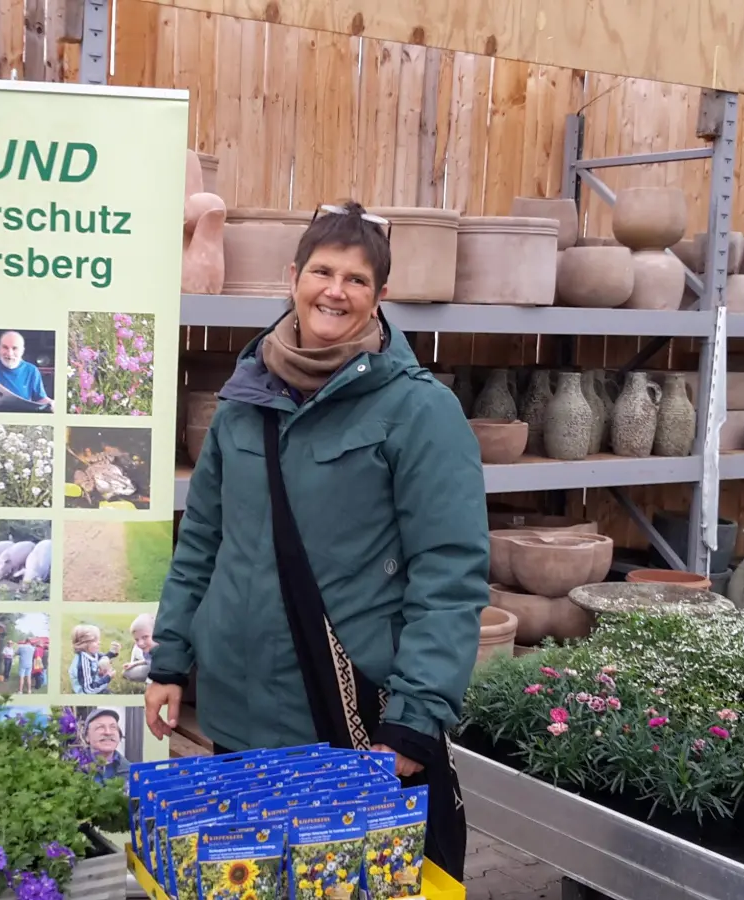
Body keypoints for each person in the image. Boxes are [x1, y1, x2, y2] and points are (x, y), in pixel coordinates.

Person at [144, 200, 488, 880]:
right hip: (238, 709)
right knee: (250, 881)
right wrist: (169, 659)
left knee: (340, 884)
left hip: (342, 720)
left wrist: (415, 718)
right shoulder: (244, 401)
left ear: (380, 297)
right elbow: (202, 542)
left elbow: (449, 574)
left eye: (357, 280)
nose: (336, 290)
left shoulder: (419, 411)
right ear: (293, 276)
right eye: (323, 271)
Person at [0, 330, 53, 409]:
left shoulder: (32, 370)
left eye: (14, 348)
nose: (9, 353)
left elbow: (41, 399)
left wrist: (52, 403)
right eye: (5, 347)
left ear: (22, 351)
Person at [77, 708, 130, 783]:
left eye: (113, 727)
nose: (108, 732)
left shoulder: (130, 771)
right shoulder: (74, 767)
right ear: (87, 736)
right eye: (100, 727)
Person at [68, 624, 119, 695]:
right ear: (84, 644)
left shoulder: (91, 653)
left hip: (95, 684)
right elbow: (89, 689)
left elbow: (103, 658)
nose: (99, 642)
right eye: (95, 641)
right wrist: (108, 677)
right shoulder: (82, 664)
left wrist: (112, 653)